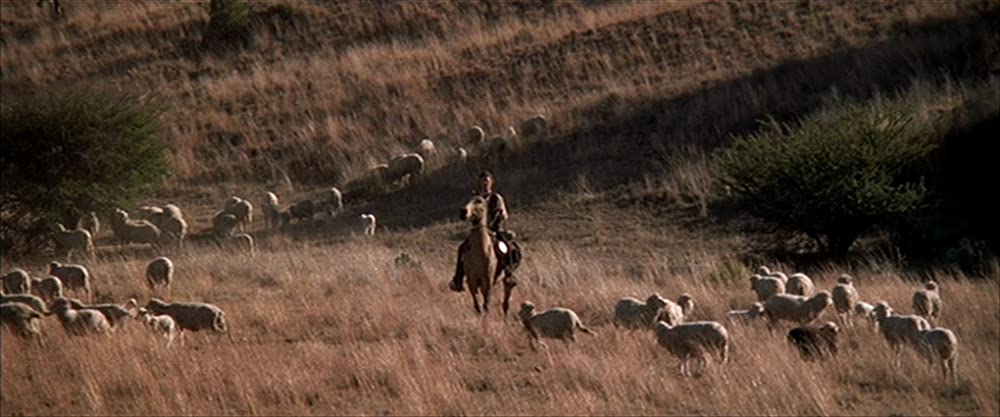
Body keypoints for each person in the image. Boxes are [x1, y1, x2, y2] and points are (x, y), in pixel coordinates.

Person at [449, 171, 517, 292]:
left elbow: (503, 214)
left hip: (495, 230)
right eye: (483, 181)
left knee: (507, 248)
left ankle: (508, 274)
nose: (485, 183)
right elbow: (467, 214)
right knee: (462, 249)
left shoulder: (496, 198)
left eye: (487, 180)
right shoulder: (475, 200)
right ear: (479, 183)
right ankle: (458, 279)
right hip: (478, 231)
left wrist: (498, 219)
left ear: (491, 182)